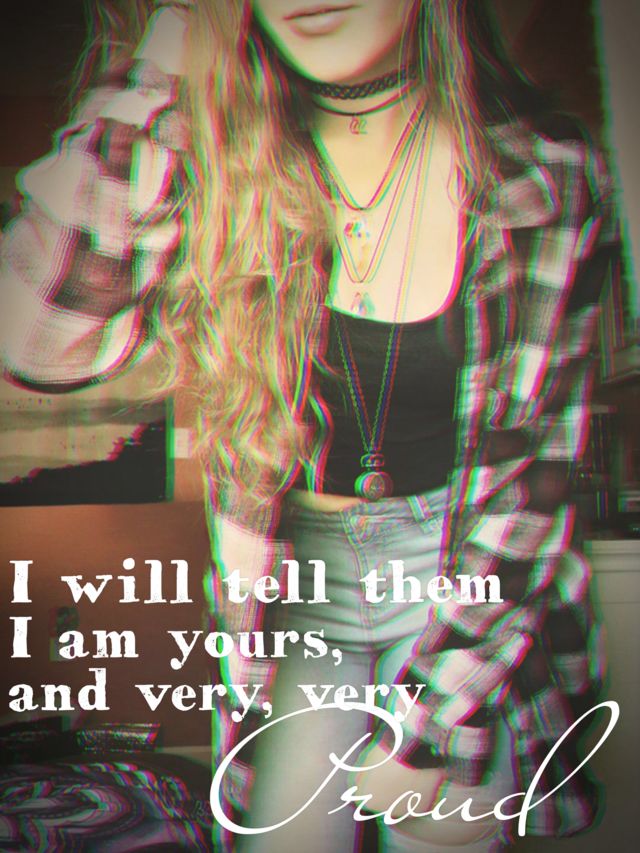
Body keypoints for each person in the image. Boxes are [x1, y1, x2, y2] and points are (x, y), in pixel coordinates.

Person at [0, 1, 620, 851]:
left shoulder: (545, 174)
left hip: (462, 580)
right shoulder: (212, 157)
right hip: (299, 583)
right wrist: (162, 65)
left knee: (441, 832)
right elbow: (38, 340)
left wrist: (434, 724)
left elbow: (536, 479)